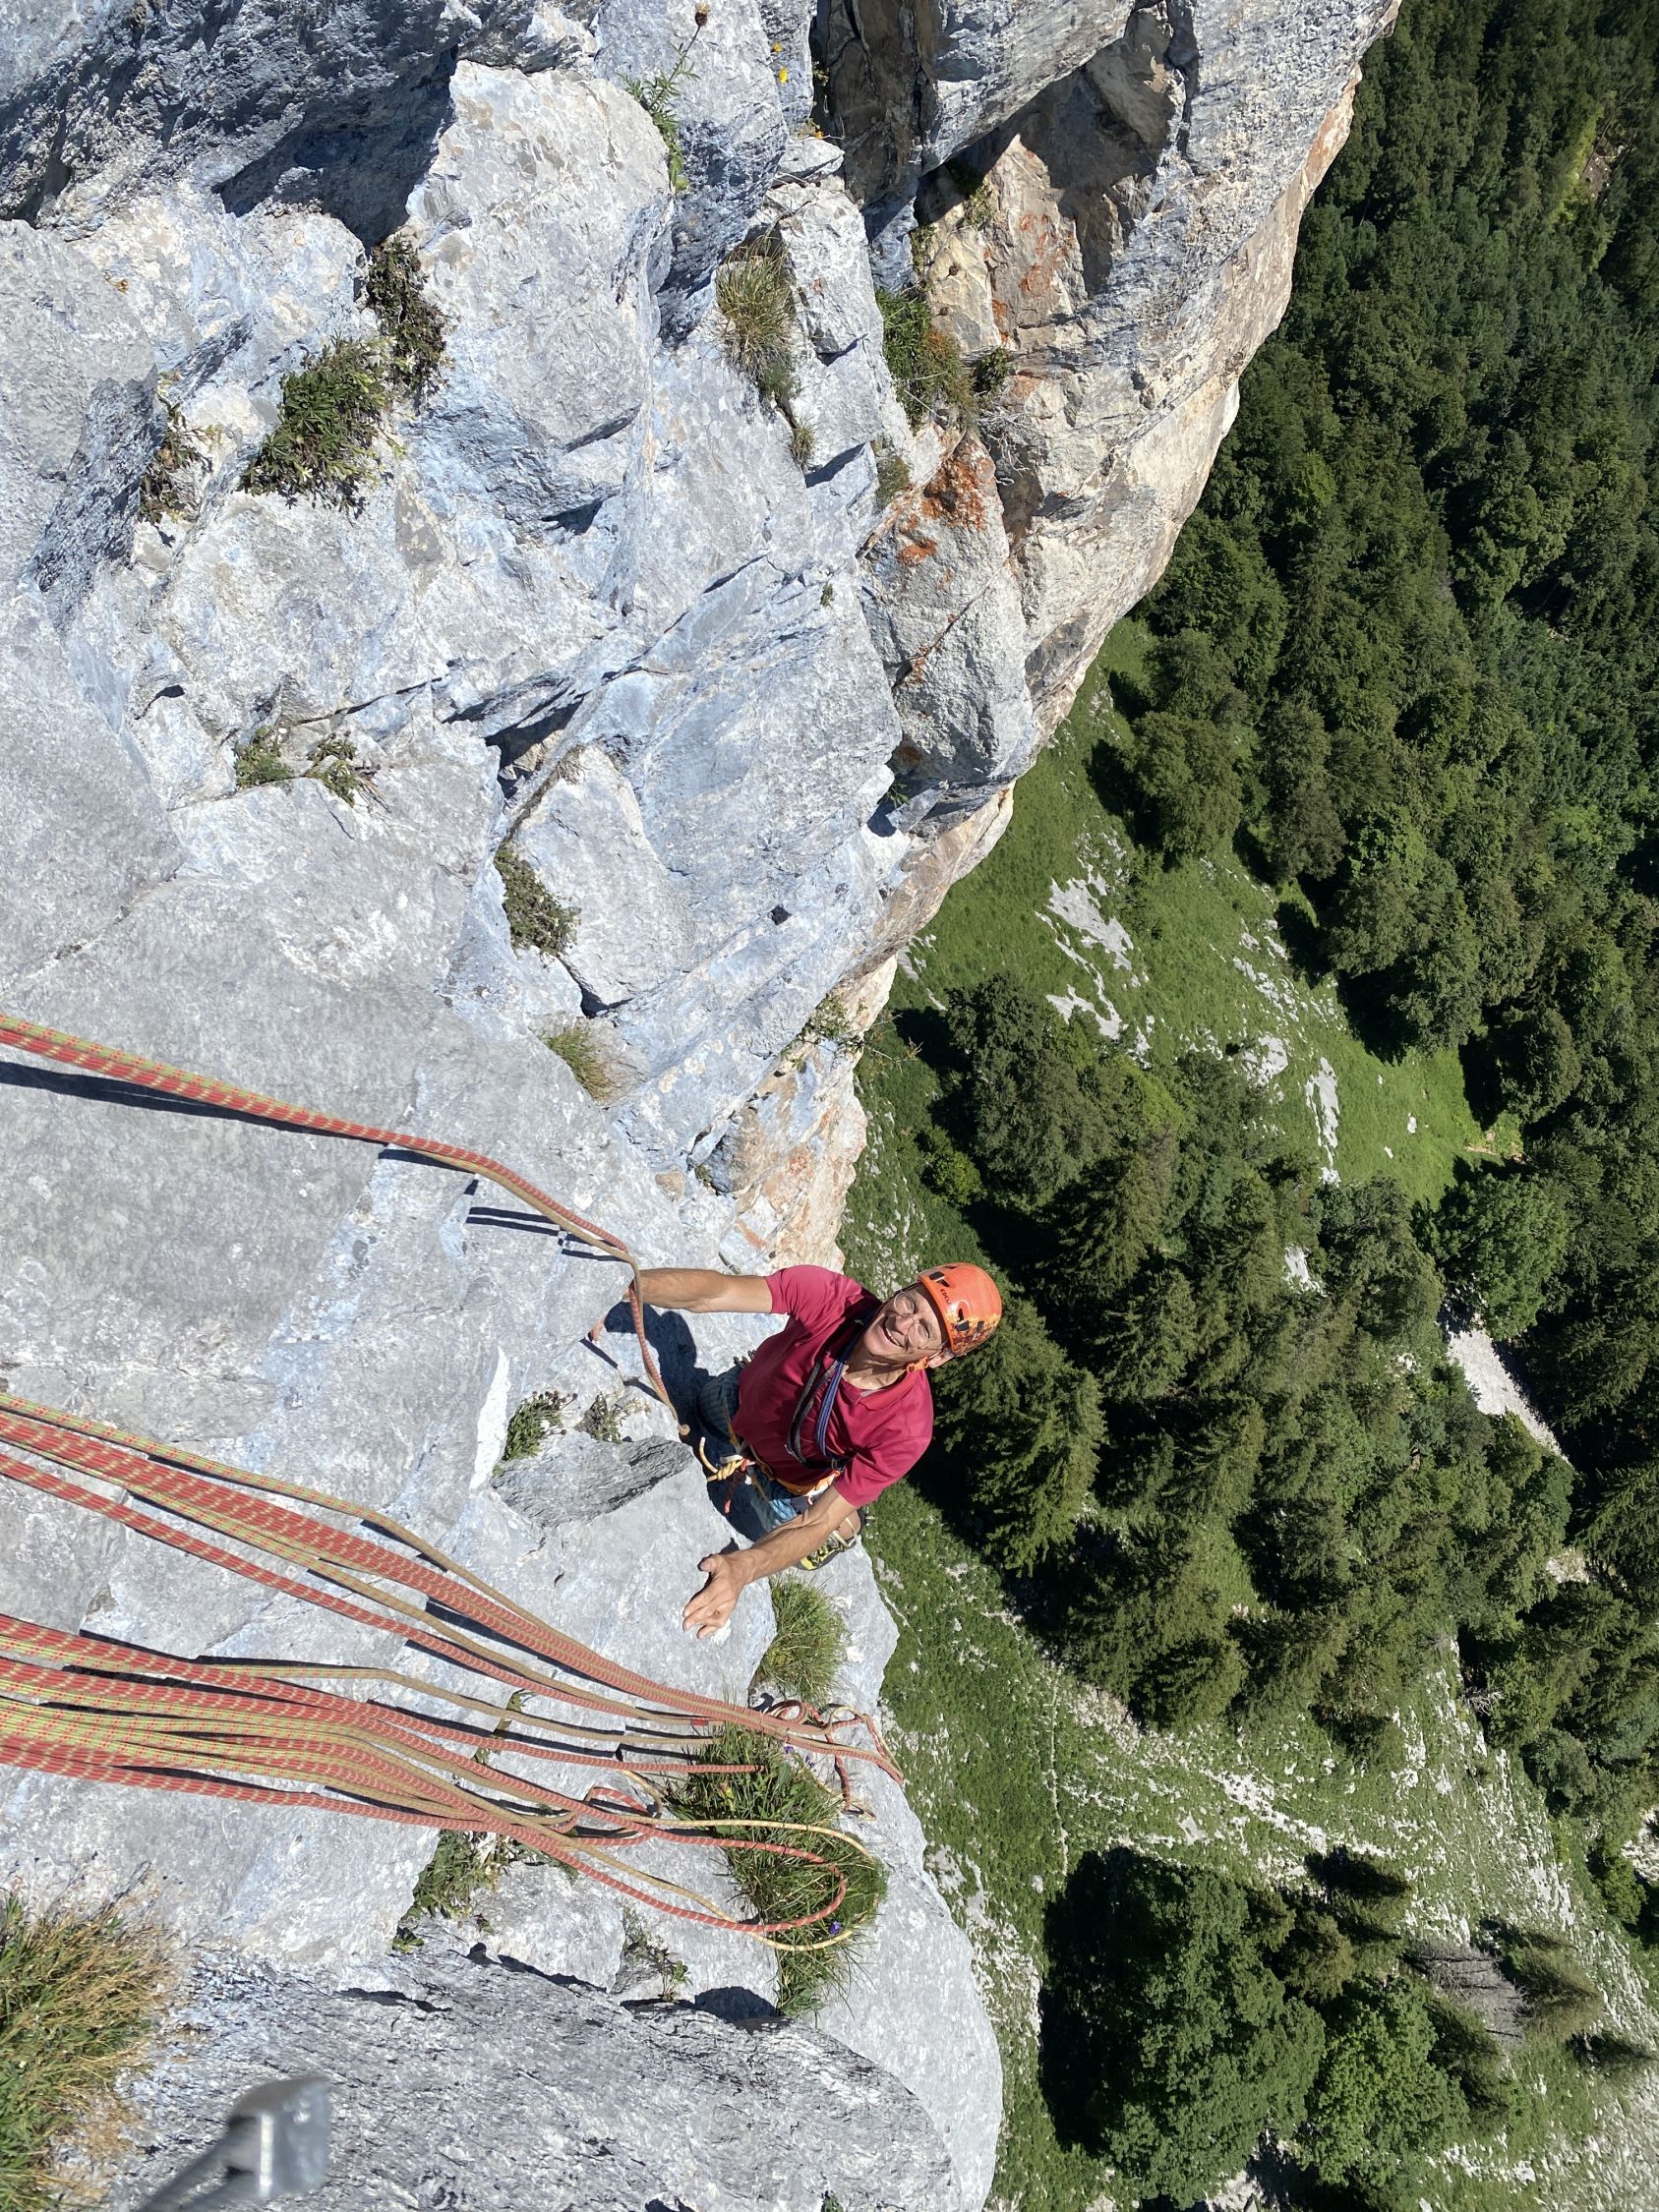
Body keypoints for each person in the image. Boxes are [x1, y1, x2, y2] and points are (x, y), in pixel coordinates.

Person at [629, 1262, 1002, 1639]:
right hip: (734, 1406)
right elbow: (717, 1291)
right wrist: (629, 1285)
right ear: (899, 1291)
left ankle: (848, 1522)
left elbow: (814, 1523)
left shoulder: (906, 1429)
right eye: (910, 1303)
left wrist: (742, 1569)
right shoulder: (835, 1301)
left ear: (937, 1357)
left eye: (923, 1329)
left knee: (808, 1547)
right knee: (701, 1409)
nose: (901, 1323)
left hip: (783, 1485)